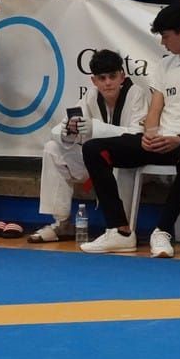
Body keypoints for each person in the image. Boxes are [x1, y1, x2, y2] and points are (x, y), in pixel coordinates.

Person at [79, 1, 180, 257]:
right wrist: (149, 134)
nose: (162, 43)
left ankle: (162, 230)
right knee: (93, 149)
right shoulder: (165, 65)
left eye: (165, 36)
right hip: (161, 140)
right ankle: (120, 230)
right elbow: (155, 111)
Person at [28, 49, 148, 242]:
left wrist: (97, 129)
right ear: (94, 81)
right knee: (52, 148)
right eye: (102, 78)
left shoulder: (136, 94)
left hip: (127, 162)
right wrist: (68, 131)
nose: (108, 82)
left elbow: (138, 134)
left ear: (122, 76)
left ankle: (120, 230)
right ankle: (62, 224)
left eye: (112, 76)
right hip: (95, 162)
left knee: (115, 160)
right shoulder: (90, 96)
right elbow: (58, 130)